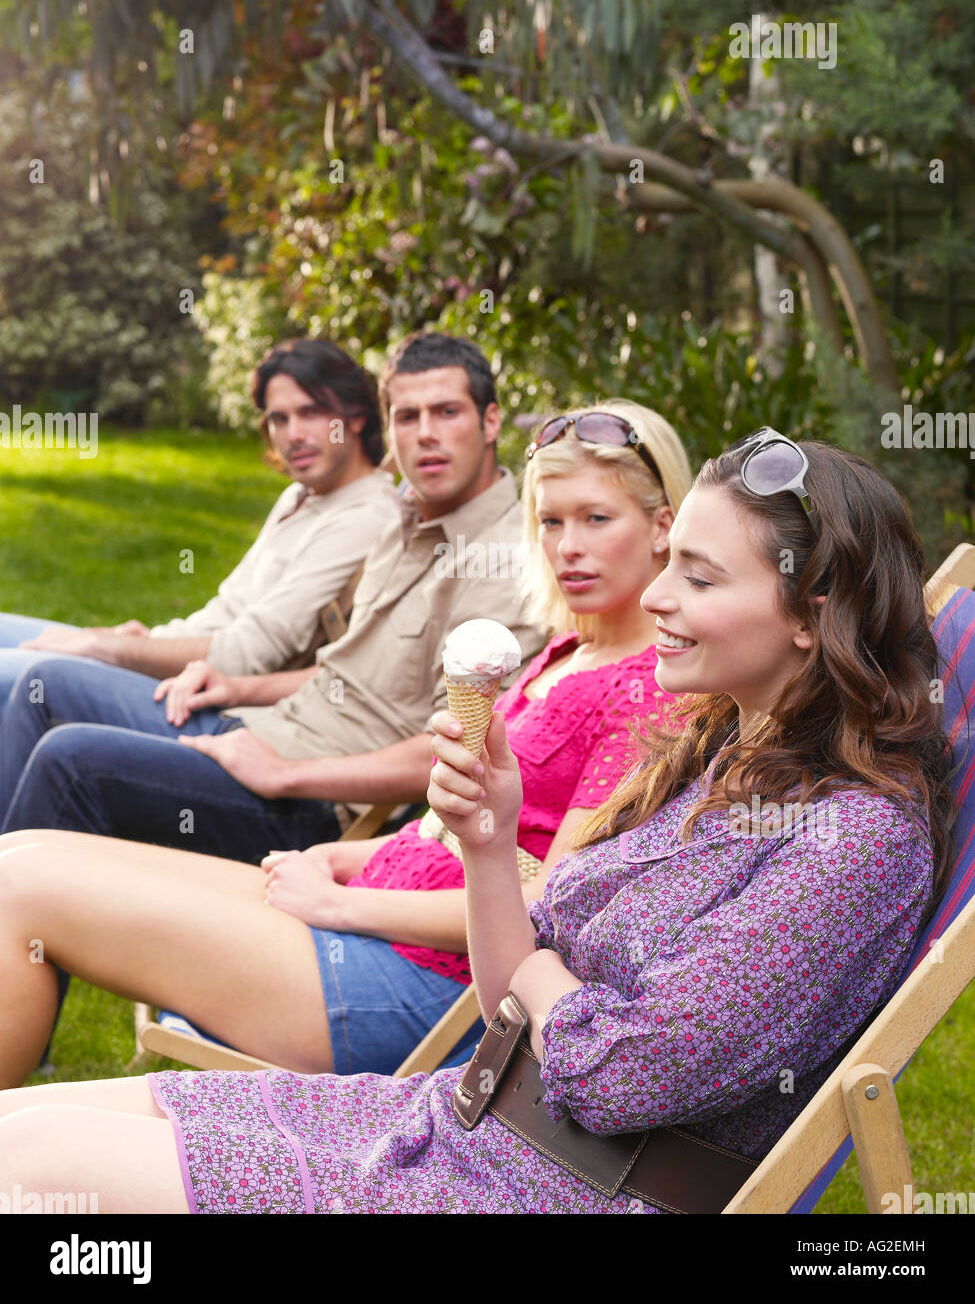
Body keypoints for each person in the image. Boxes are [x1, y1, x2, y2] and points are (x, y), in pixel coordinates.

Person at [0, 431, 956, 1215]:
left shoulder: (854, 843)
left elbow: (620, 1076)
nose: (657, 596)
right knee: (14, 1140)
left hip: (540, 1188)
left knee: (37, 1187)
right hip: (458, 1124)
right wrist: (493, 844)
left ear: (810, 614)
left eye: (699, 579)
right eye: (669, 567)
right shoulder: (716, 760)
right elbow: (509, 1000)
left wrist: (542, 976)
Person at [0, 401, 691, 1084]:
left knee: (19, 888)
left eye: (596, 519)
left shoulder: (649, 696)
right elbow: (456, 832)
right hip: (367, 914)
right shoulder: (567, 652)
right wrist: (344, 857)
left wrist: (340, 904)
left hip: (413, 987)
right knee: (20, 854)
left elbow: (554, 910)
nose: (567, 545)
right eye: (550, 520)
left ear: (662, 527)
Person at [0, 331, 546, 859]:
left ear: (491, 420)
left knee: (68, 760)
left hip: (314, 800)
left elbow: (460, 753)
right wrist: (238, 686)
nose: (426, 433)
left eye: (447, 412)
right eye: (408, 416)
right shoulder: (404, 524)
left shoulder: (502, 565)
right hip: (263, 728)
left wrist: (286, 775)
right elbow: (349, 673)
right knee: (48, 684)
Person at [0, 339, 398, 697]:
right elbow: (227, 609)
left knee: (19, 672)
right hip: (183, 665)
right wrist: (151, 640)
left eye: (311, 413)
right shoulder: (301, 495)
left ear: (356, 417)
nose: (292, 435)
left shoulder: (364, 516)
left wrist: (110, 650)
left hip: (211, 697)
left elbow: (250, 652)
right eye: (279, 419)